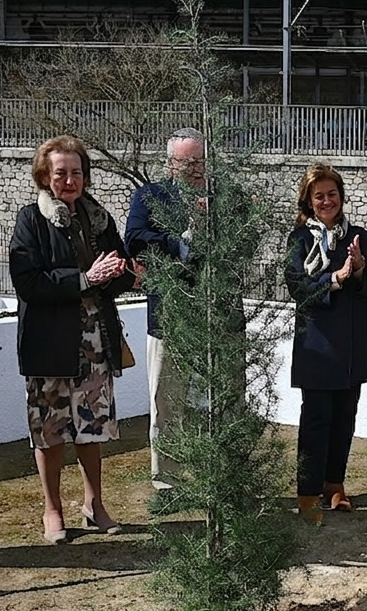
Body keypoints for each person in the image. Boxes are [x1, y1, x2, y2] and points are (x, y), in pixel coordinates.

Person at [9, 135, 135, 544]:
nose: (69, 180)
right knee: (50, 429)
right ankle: (52, 510)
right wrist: (85, 279)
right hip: (49, 342)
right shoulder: (31, 219)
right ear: (45, 176)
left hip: (95, 339)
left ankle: (93, 504)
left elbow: (112, 277)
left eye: (76, 172)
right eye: (60, 172)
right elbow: (27, 282)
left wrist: (128, 274)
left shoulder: (99, 220)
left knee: (92, 427)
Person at [284, 164, 367, 521]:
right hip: (317, 345)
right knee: (316, 421)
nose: (327, 201)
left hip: (353, 344)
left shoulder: (358, 235)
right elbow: (297, 287)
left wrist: (358, 268)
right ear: (309, 202)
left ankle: (334, 486)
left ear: (341, 197)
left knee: (345, 418)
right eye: (319, 196)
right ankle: (308, 494)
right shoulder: (299, 240)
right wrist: (336, 280)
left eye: (332, 194)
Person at [124, 128, 207, 488]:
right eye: (185, 162)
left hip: (215, 319)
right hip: (168, 318)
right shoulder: (150, 196)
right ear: (170, 164)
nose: (193, 169)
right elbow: (136, 239)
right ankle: (168, 482)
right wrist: (180, 246)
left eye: (199, 161)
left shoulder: (223, 197)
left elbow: (247, 241)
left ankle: (213, 477)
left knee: (216, 403)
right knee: (166, 403)